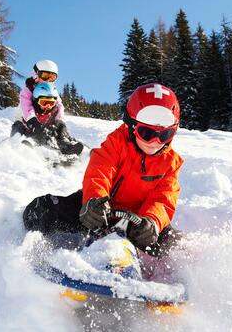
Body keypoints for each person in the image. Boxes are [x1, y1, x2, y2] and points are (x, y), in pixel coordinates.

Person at [23, 83, 184, 257]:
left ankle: (165, 277)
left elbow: (163, 198)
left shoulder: (170, 163)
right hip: (97, 212)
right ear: (131, 126)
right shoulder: (117, 143)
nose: (155, 142)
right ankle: (47, 249)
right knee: (41, 210)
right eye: (146, 133)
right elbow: (100, 170)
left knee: (175, 245)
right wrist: (94, 200)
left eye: (165, 135)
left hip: (137, 223)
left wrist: (153, 221)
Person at [11, 59, 82, 155]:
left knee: (58, 129)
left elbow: (59, 106)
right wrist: (33, 122)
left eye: (52, 77)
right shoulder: (28, 89)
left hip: (44, 121)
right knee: (19, 129)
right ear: (36, 75)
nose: (48, 79)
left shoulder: (52, 90)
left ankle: (66, 145)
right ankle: (19, 145)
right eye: (45, 76)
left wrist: (60, 122)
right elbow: (26, 107)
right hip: (24, 121)